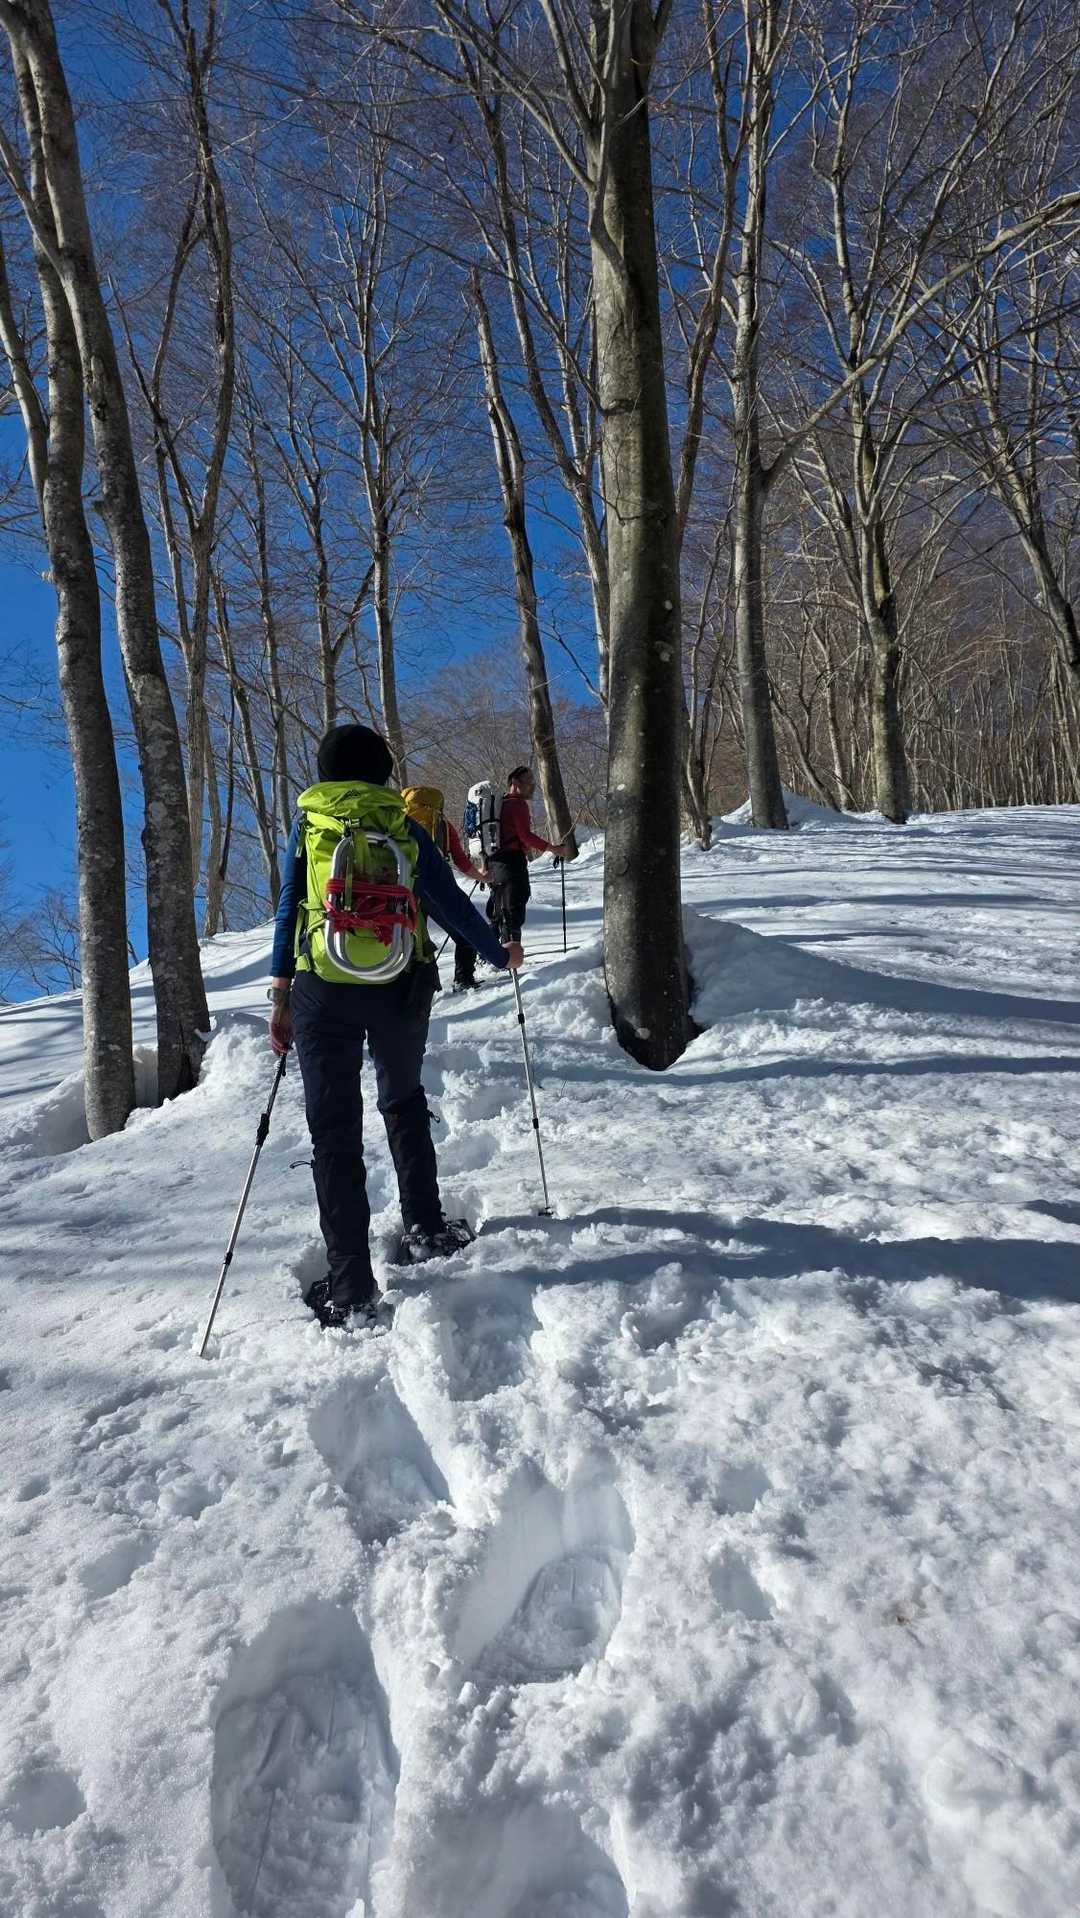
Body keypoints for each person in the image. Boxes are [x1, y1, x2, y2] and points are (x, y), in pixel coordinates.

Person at [268, 724, 523, 1334]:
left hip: (322, 989)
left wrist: (281, 995)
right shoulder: (404, 825)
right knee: (404, 1100)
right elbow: (450, 904)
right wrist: (499, 953)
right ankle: (426, 1227)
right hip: (400, 984)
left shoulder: (310, 824)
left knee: (333, 1133)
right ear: (384, 772)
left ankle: (350, 1288)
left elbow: (288, 907)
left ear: (326, 772)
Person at [402, 784, 487, 991]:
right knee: (464, 933)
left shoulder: (400, 821)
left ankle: (414, 989)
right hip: (435, 888)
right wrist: (482, 877)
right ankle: (463, 979)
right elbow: (461, 862)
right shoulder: (443, 825)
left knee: (413, 942)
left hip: (406, 888)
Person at [486, 765, 567, 943]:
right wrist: (554, 849)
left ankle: (488, 953)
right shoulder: (517, 804)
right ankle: (511, 954)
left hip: (494, 863)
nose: (533, 785)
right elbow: (526, 836)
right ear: (515, 782)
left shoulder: (500, 805)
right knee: (513, 914)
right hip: (512, 863)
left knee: (499, 912)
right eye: (529, 780)